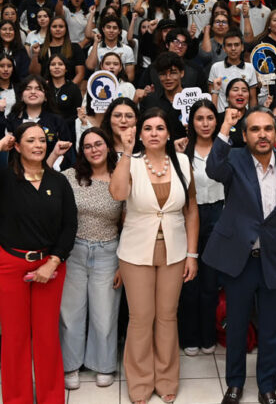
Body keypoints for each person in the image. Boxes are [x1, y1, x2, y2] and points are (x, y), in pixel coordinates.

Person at [203, 106, 276, 404]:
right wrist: (225, 127)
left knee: (272, 330)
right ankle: (235, 384)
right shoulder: (234, 160)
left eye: (268, 129)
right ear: (245, 135)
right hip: (240, 261)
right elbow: (213, 168)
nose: (263, 135)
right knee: (236, 326)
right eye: (255, 129)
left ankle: (267, 387)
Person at [110, 107, 199, 404]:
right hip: (136, 251)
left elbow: (191, 210)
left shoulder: (183, 163)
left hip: (174, 250)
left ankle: (166, 379)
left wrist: (192, 254)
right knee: (140, 317)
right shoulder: (130, 162)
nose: (153, 134)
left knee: (167, 316)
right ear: (139, 133)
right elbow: (119, 195)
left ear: (168, 133)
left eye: (159, 128)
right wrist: (124, 152)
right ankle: (139, 381)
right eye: (147, 128)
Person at [0, 124, 77, 404]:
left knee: (47, 334)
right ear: (18, 146)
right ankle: (17, 399)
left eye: (42, 140)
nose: (38, 145)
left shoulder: (58, 181)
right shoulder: (3, 178)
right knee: (15, 336)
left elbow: (69, 226)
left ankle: (51, 398)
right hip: (9, 265)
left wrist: (53, 263)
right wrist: (1, 144)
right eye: (30, 140)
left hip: (50, 265)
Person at [60, 128, 125, 389]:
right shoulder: (69, 178)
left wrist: (122, 262)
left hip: (108, 251)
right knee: (70, 312)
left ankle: (103, 365)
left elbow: (128, 222)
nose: (94, 149)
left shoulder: (120, 178)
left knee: (105, 312)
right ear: (81, 151)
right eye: (87, 146)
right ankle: (70, 365)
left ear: (108, 147)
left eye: (98, 144)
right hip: (73, 251)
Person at [178, 100, 223, 357]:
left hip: (219, 216)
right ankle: (189, 337)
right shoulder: (182, 152)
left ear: (216, 121)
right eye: (199, 118)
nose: (205, 123)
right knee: (188, 282)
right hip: (189, 216)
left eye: (209, 118)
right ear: (191, 122)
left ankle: (208, 335)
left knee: (210, 283)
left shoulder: (225, 149)